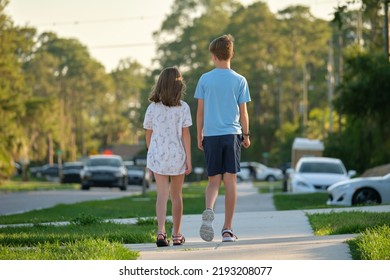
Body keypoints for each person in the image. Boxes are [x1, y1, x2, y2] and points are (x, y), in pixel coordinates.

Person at [194, 34, 251, 242]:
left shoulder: (205, 79)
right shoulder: (240, 80)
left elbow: (199, 112)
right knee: (231, 182)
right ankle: (227, 229)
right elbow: (243, 112)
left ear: (213, 56)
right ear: (231, 54)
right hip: (232, 134)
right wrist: (246, 135)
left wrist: (199, 134)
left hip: (211, 135)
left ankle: (209, 209)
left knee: (213, 182)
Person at [143, 66, 192, 247]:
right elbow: (185, 134)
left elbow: (149, 134)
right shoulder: (183, 108)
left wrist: (152, 152)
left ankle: (161, 232)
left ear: (160, 84)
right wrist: (189, 158)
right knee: (176, 195)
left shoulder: (152, 108)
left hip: (158, 156)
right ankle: (177, 234)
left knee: (162, 195)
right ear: (178, 85)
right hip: (177, 155)